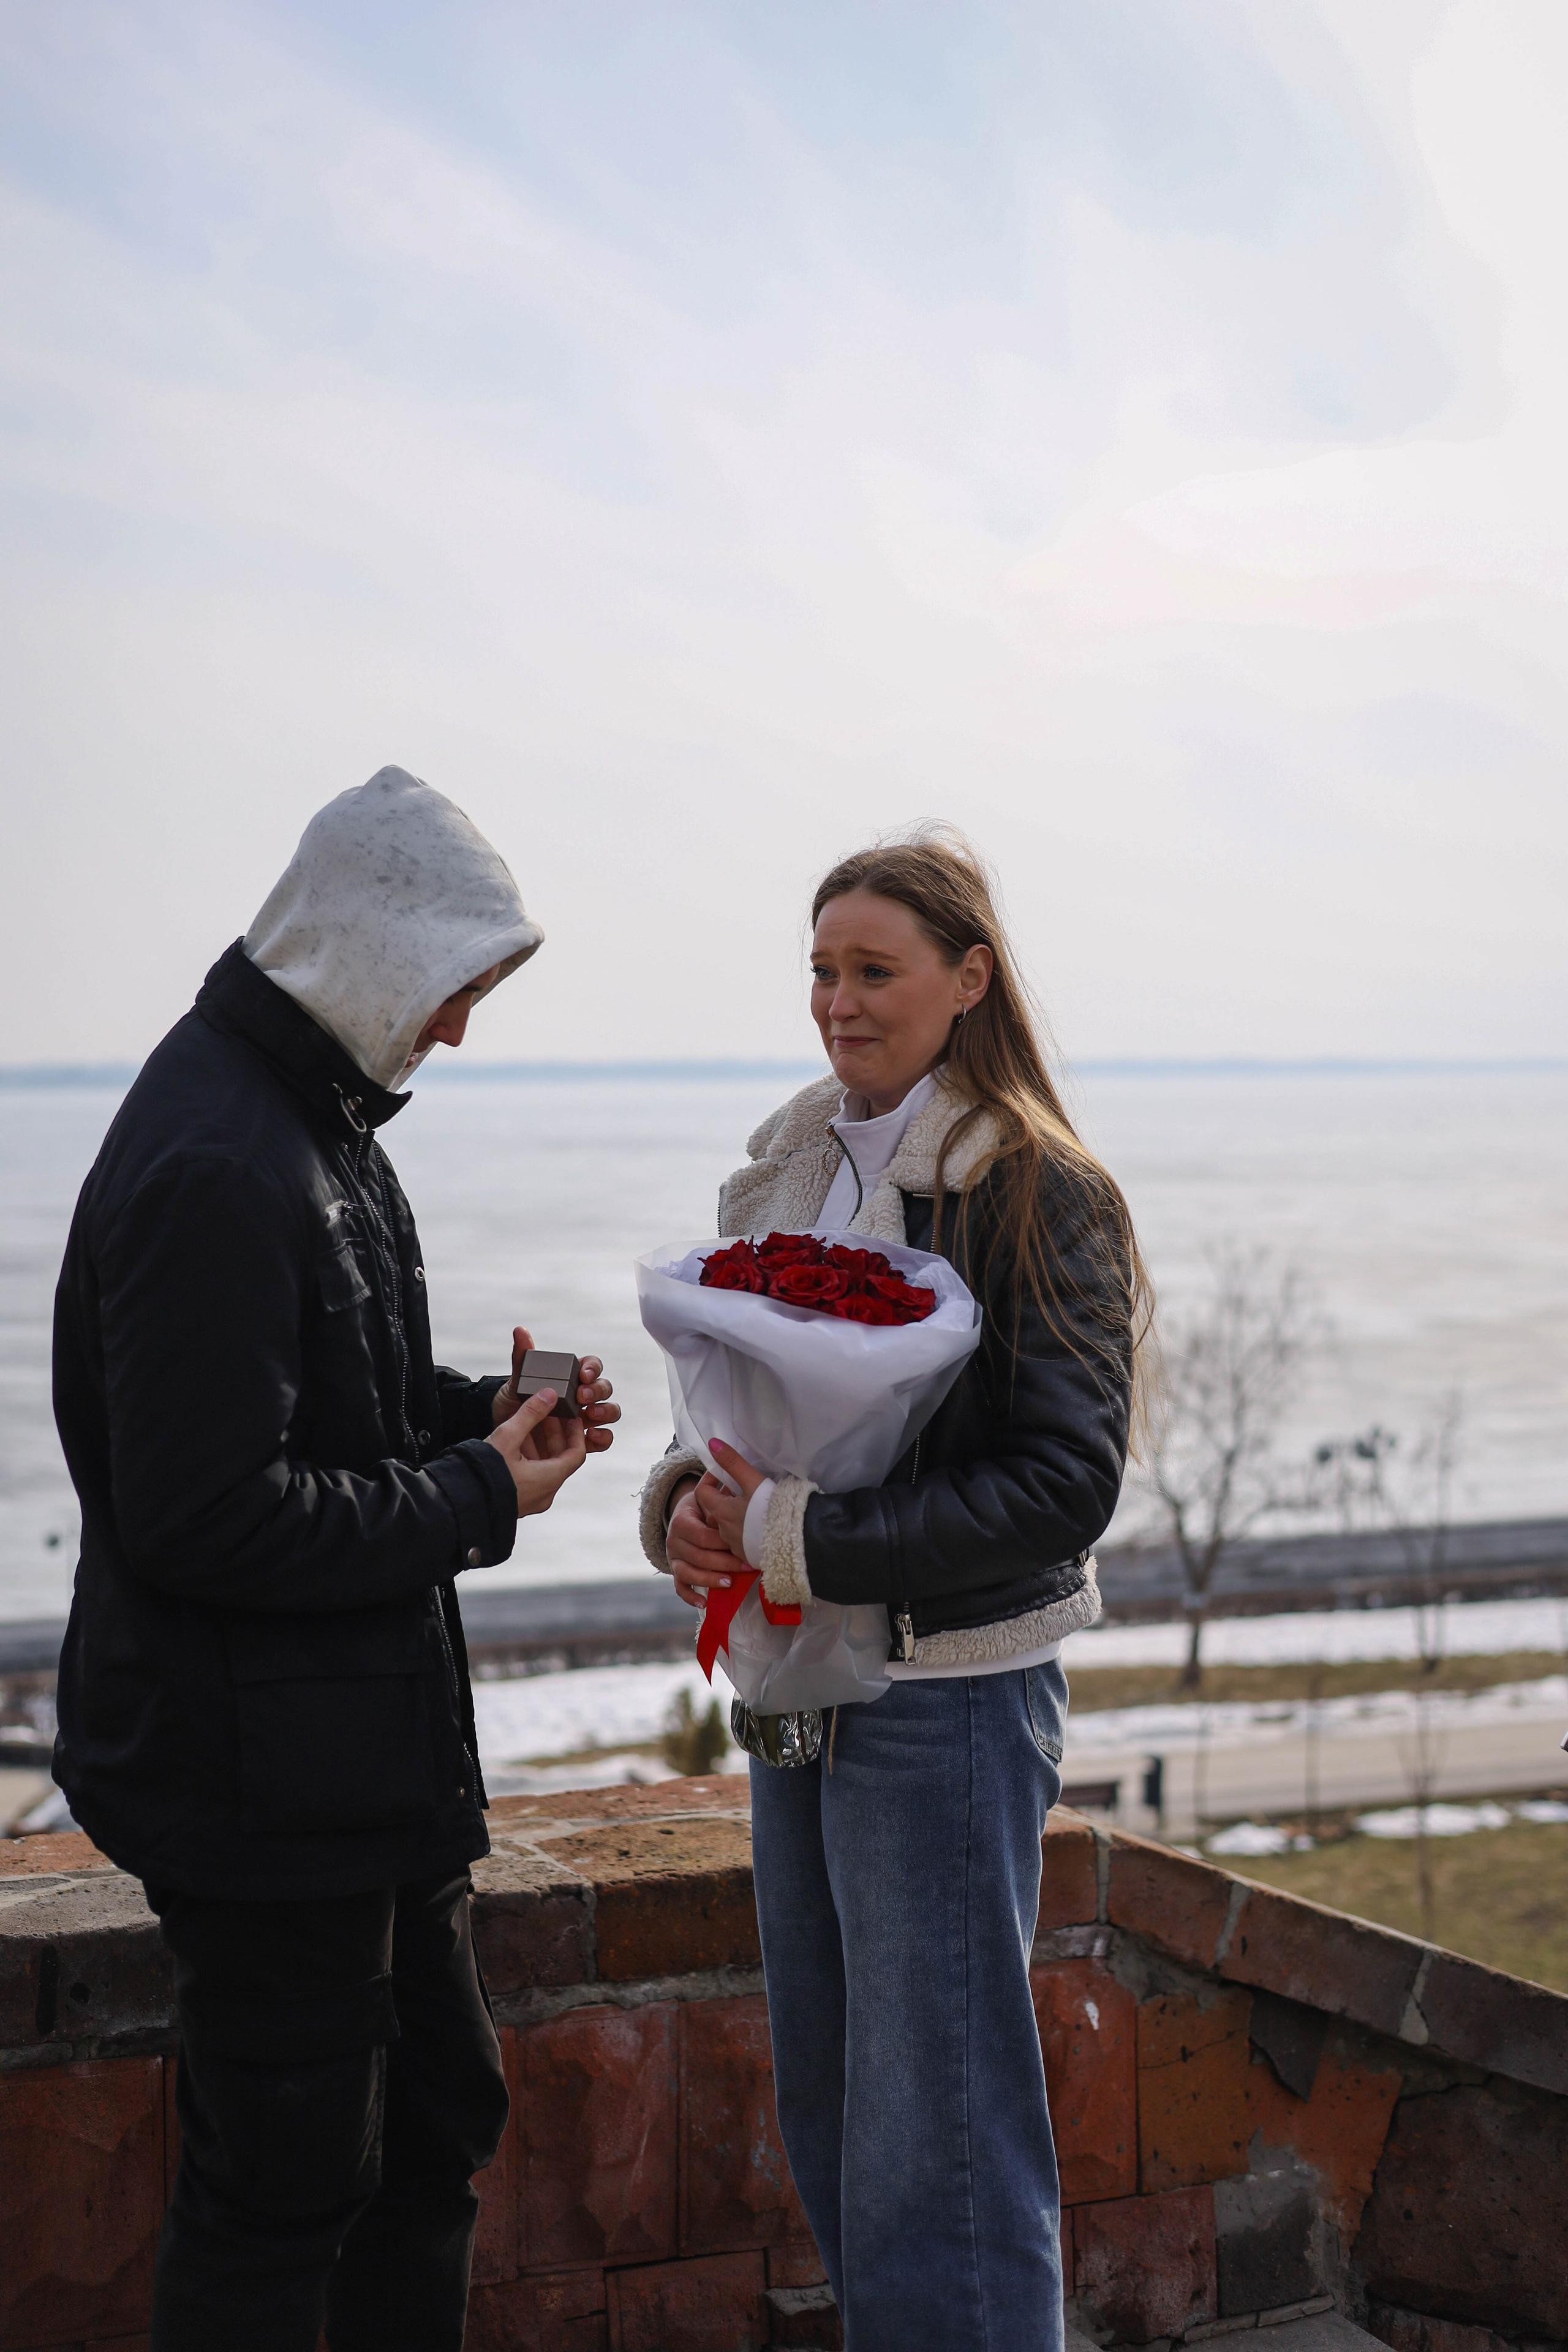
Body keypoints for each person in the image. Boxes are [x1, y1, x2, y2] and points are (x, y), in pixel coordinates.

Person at [51, 766, 619, 2352]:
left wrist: (488, 1420)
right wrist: (477, 1494)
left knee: (433, 2128)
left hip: (352, 1775)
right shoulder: (223, 1162)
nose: (452, 1032)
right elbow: (209, 1516)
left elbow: (325, 1410)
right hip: (261, 1792)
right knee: (283, 2197)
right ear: (367, 947)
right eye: (451, 990)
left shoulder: (303, 1120)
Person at [639, 832, 1148, 2352]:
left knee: (938, 2142)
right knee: (837, 2114)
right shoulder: (787, 1158)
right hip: (793, 1694)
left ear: (967, 979)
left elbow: (1066, 1484)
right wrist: (691, 1512)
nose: (837, 1003)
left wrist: (798, 1538)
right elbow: (730, 1409)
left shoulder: (1033, 1184)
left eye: (874, 970)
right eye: (820, 969)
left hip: (949, 1698)